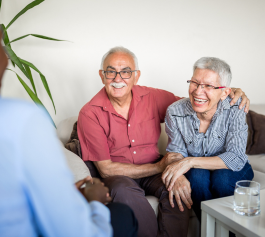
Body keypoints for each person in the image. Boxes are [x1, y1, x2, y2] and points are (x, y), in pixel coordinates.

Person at [0, 0, 137, 236]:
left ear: (135, 76)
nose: (6, 60)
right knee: (121, 215)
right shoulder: (18, 121)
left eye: (126, 72)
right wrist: (95, 204)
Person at [77, 47, 251, 237]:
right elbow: (106, 169)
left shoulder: (153, 97)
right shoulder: (90, 113)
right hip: (119, 175)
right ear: (102, 76)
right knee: (125, 193)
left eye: (126, 72)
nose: (118, 79)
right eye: (111, 72)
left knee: (178, 191)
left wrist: (228, 92)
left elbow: (197, 102)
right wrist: (163, 167)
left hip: (156, 168)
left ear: (136, 76)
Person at [161, 57, 254, 221]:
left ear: (225, 92)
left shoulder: (236, 107)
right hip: (199, 169)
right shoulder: (174, 112)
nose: (198, 91)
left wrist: (189, 162)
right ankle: (210, 229)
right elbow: (176, 152)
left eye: (208, 86)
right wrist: (182, 167)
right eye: (194, 83)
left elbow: (236, 157)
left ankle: (229, 231)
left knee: (222, 181)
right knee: (196, 179)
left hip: (231, 167)